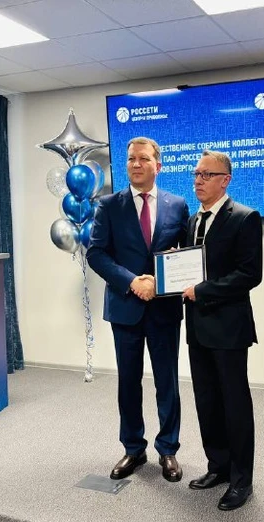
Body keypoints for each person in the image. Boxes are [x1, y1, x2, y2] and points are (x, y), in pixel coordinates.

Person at [87, 137, 189, 482]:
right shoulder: (108, 206)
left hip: (164, 309)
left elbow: (185, 255)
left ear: (158, 165)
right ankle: (133, 448)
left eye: (143, 159)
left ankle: (168, 449)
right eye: (131, 159)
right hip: (125, 307)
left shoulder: (177, 205)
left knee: (167, 382)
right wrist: (133, 282)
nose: (135, 164)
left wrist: (161, 281)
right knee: (128, 382)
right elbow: (96, 254)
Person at [182, 150, 263, 511]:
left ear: (225, 180)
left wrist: (202, 291)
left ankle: (242, 480)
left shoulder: (245, 218)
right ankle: (218, 466)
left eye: (206, 174)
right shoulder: (192, 220)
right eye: (196, 174)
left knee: (234, 404)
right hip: (197, 328)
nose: (198, 180)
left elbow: (249, 274)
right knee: (207, 401)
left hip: (229, 328)